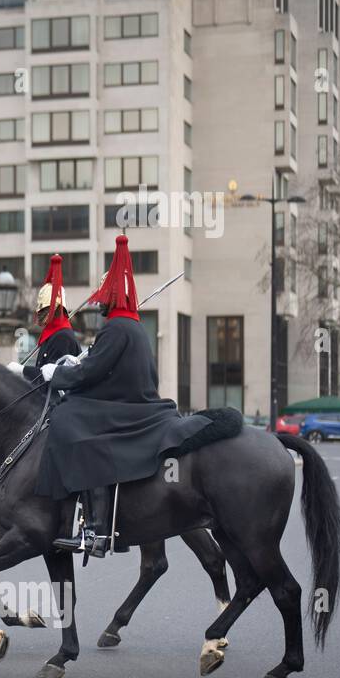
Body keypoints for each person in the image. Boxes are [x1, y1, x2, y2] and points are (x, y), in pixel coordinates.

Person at [36, 236, 210, 557]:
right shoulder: (129, 328)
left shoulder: (117, 329)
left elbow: (90, 375)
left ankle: (95, 530)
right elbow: (99, 366)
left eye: (103, 297)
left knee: (73, 428)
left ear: (112, 297)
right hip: (130, 401)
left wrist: (56, 374)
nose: (98, 302)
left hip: (128, 407)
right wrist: (83, 359)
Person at [10, 253, 82, 382]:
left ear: (56, 308)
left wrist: (22, 370)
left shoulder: (62, 337)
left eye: (45, 308)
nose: (39, 312)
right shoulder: (53, 334)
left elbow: (51, 377)